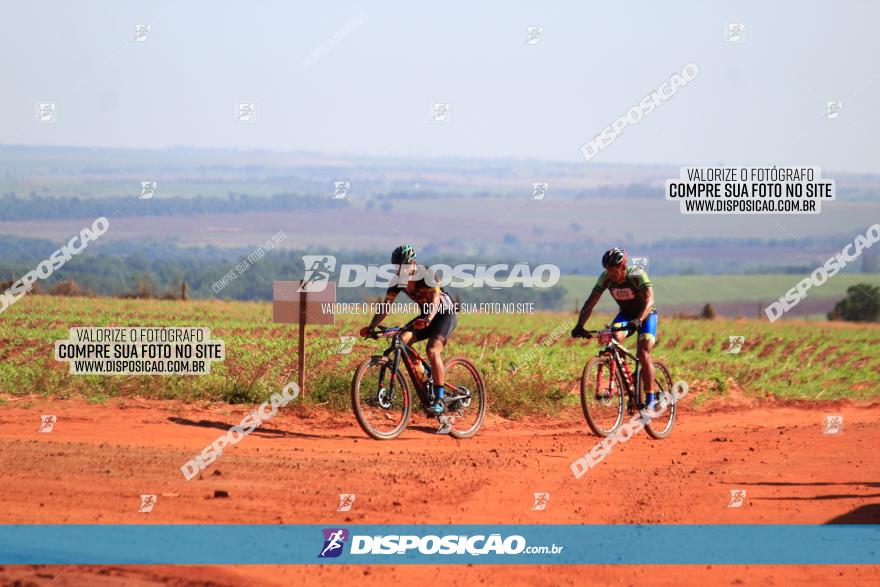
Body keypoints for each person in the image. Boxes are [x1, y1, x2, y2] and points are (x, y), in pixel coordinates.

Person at [360, 244, 457, 414]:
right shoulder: (397, 281)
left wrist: (428, 318)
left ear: (413, 264)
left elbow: (435, 298)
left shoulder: (427, 273)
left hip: (443, 314)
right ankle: (425, 376)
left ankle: (439, 399)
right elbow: (386, 307)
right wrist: (371, 327)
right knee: (401, 340)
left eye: (404, 266)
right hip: (425, 317)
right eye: (397, 267)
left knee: (432, 351)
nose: (400, 271)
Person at [571, 248, 659, 409]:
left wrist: (639, 319)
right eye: (607, 270)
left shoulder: (637, 274)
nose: (610, 274)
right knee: (614, 340)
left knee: (643, 351)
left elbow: (650, 299)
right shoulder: (605, 279)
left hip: (646, 316)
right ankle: (629, 383)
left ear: (623, 267)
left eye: (613, 270)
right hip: (625, 315)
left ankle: (651, 400)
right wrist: (580, 325)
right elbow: (591, 302)